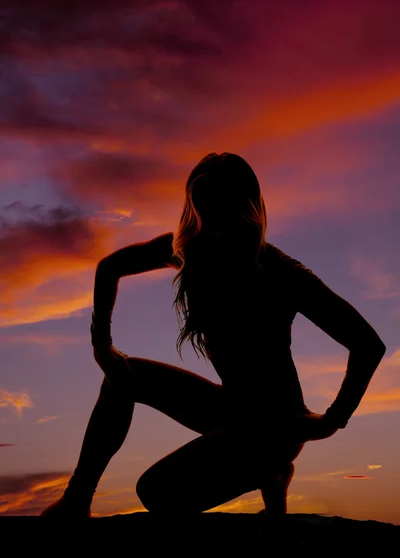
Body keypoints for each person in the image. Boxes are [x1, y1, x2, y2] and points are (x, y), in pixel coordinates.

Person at [40, 152, 386, 519]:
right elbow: (110, 267)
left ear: (246, 208)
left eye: (223, 207)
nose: (213, 221)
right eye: (203, 206)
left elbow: (367, 343)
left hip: (274, 425)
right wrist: (101, 345)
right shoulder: (190, 251)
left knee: (155, 492)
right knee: (121, 378)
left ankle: (271, 468)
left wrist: (332, 420)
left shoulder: (280, 272)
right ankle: (77, 498)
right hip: (231, 408)